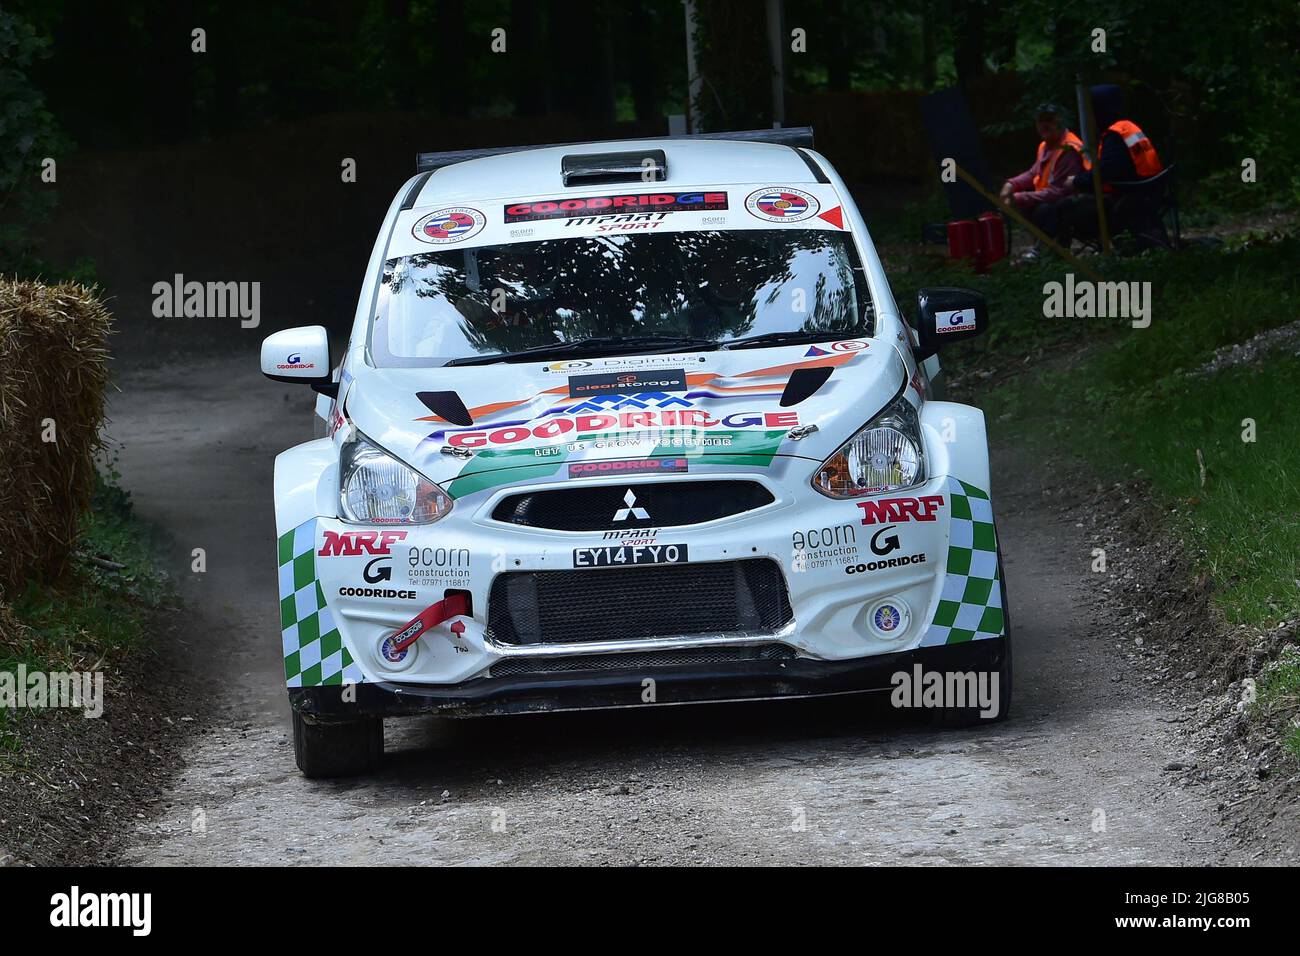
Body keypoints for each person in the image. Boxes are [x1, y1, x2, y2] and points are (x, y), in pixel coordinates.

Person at [1059, 84, 1167, 247]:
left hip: (1129, 198)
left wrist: (1076, 181)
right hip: (1148, 193)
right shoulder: (1128, 127)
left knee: (1064, 207)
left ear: (1100, 109)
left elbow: (1106, 173)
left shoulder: (1115, 136)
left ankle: (1063, 261)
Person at [999, 104, 1089, 261]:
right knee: (1034, 207)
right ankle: (1041, 249)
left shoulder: (1068, 149)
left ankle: (1050, 252)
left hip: (1073, 203)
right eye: (1040, 121)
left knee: (1044, 210)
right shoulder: (1046, 145)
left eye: (1049, 120)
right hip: (1050, 198)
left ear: (1059, 122)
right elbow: (1034, 172)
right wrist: (1010, 185)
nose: (1043, 125)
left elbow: (1060, 191)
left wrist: (1020, 197)